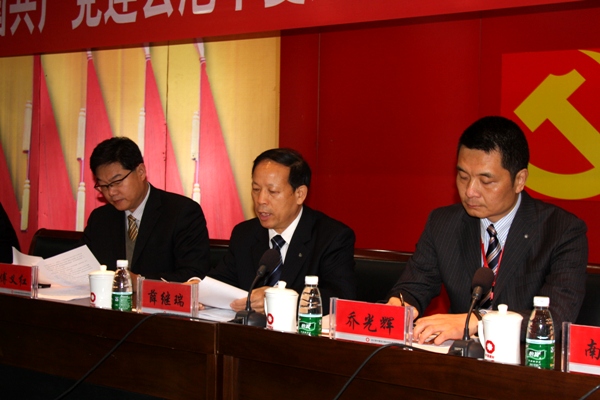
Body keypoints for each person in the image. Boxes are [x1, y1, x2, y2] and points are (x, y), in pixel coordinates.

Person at [387, 116, 588, 344]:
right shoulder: (443, 223)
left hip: (525, 360)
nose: (470, 191)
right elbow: (413, 287)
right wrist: (400, 306)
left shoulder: (562, 231)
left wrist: (478, 321)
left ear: (520, 180)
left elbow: (555, 318)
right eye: (463, 177)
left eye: (486, 181)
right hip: (458, 358)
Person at [206, 148, 356, 314]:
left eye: (272, 192)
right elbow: (219, 282)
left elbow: (341, 297)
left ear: (300, 194)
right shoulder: (245, 234)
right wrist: (198, 291)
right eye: (256, 189)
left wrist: (278, 299)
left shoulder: (331, 237)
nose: (261, 200)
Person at [81, 137, 211, 285]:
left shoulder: (182, 212)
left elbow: (194, 274)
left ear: (141, 172)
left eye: (117, 182)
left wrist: (140, 282)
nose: (111, 192)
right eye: (104, 186)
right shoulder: (100, 218)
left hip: (158, 300)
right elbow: (81, 264)